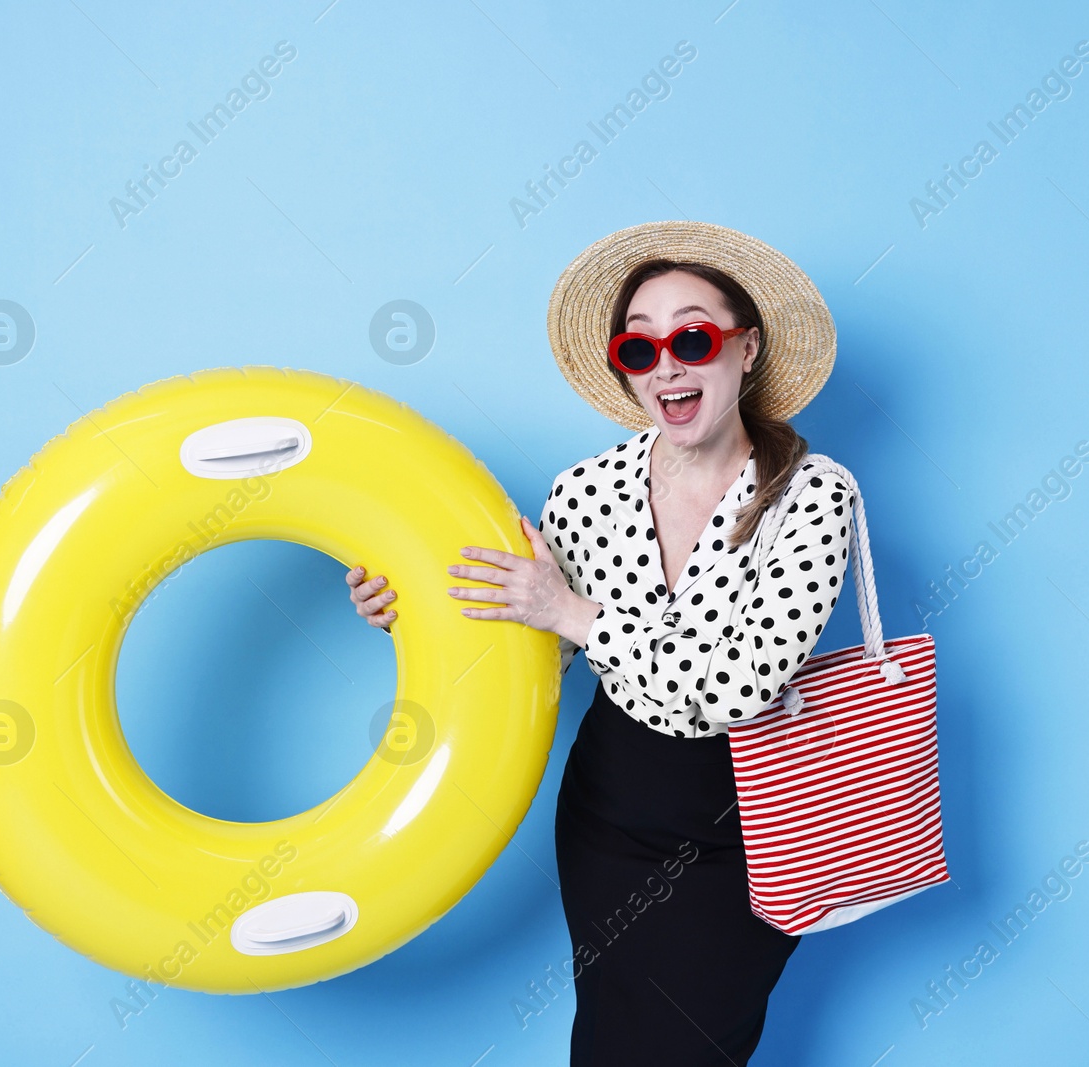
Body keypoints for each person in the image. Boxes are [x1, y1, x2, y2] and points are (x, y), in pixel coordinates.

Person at [346, 220, 853, 1065]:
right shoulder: (585, 490)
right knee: (611, 1039)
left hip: (753, 811)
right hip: (614, 806)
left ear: (747, 347)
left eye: (692, 336)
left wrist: (574, 612)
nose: (669, 366)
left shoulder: (813, 494)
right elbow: (532, 656)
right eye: (640, 348)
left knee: (697, 1046)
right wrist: (405, 611)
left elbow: (739, 686)